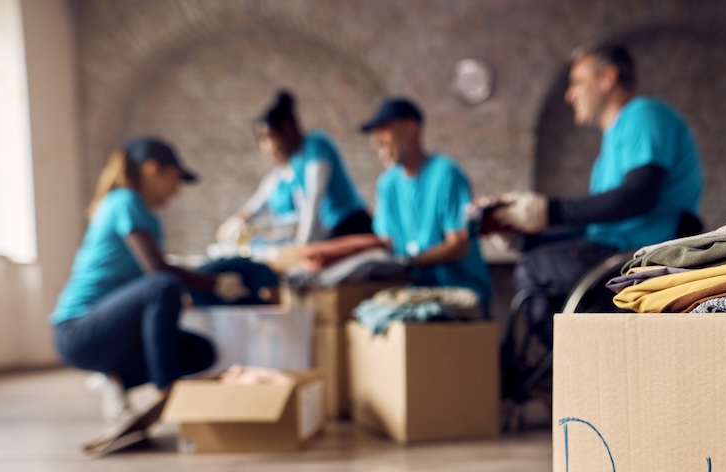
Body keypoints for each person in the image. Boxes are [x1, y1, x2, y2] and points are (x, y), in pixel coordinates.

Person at [490, 43, 704, 340]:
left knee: (535, 268)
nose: (569, 94)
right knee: (534, 256)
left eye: (577, 82)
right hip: (614, 249)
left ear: (607, 78)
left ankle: (567, 370)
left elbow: (639, 196)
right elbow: (598, 227)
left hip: (637, 255)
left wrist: (546, 211)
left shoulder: (643, 114)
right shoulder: (612, 142)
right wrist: (524, 237)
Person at [50, 137, 248, 423]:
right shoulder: (126, 200)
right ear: (152, 169)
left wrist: (202, 287)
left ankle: (117, 380)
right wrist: (213, 283)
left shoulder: (145, 214)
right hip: (78, 331)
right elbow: (158, 270)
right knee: (163, 286)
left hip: (113, 330)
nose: (176, 191)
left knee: (200, 352)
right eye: (174, 179)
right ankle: (166, 392)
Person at [358, 97, 492, 310]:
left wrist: (411, 262)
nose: (377, 139)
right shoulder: (387, 184)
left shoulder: (446, 173)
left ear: (411, 127)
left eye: (384, 129)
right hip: (416, 291)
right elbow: (386, 241)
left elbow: (459, 244)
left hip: (459, 290)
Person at [217, 90, 372, 246]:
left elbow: (314, 197)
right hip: (332, 229)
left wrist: (302, 243)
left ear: (287, 128)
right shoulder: (296, 162)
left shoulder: (315, 144)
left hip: (352, 223)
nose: (271, 145)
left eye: (272, 137)